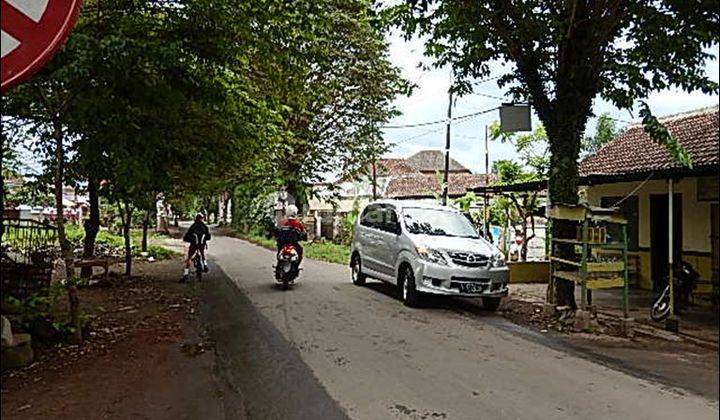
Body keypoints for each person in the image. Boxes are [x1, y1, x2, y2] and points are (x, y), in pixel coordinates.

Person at [181, 213, 211, 282]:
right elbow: (208, 237)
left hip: (194, 245)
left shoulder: (193, 226)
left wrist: (189, 240)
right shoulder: (204, 226)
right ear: (201, 219)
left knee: (189, 257)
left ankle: (185, 274)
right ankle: (205, 265)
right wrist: (204, 240)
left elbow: (186, 237)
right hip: (201, 245)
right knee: (202, 253)